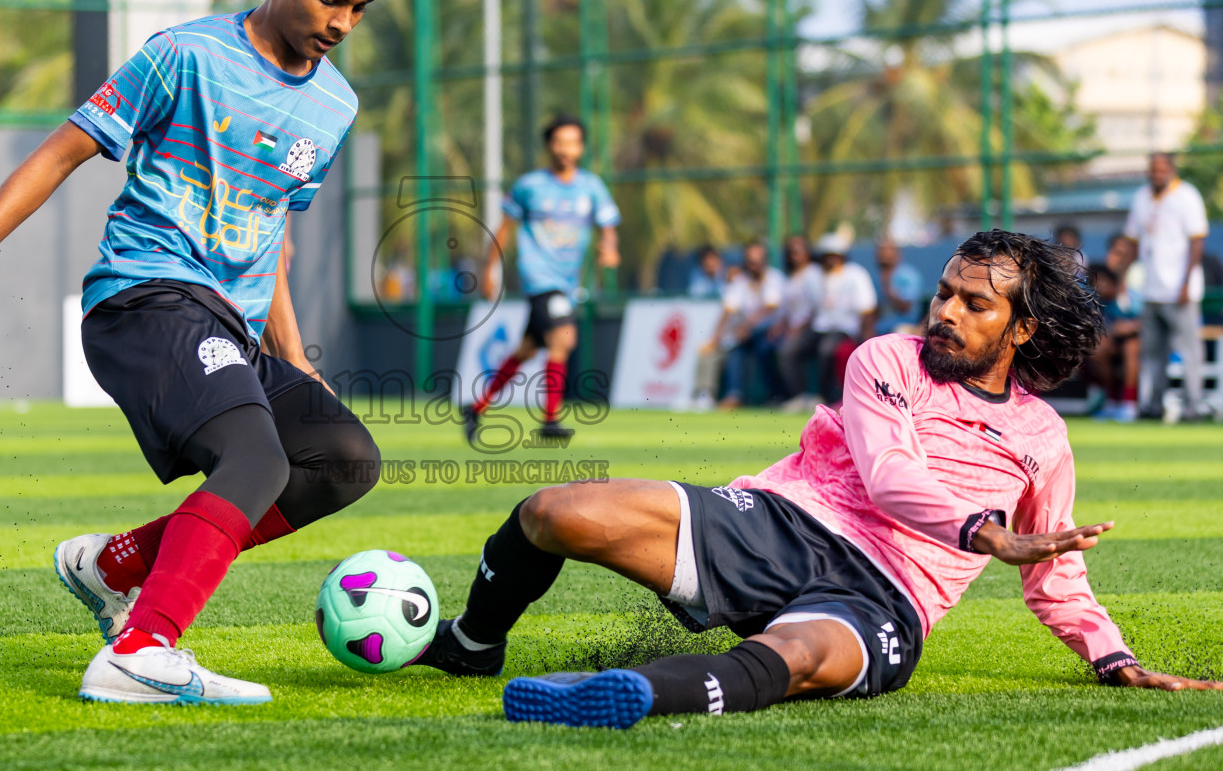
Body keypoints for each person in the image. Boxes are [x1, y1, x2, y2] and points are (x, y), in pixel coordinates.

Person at [411, 231, 1221, 727]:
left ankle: (623, 694)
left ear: (1021, 327)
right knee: (554, 511)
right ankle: (476, 644)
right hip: (781, 522)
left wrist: (1111, 656)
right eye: (943, 292)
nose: (945, 311)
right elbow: (889, 472)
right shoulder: (886, 358)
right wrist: (985, 533)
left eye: (973, 304)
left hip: (888, 596)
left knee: (795, 657)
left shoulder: (1042, 435)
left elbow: (1058, 576)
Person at [0, 0, 393, 705]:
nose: (341, 23)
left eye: (359, 9)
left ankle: (116, 568)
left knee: (343, 460)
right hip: (145, 300)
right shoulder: (185, 56)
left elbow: (270, 230)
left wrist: (296, 358)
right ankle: (143, 648)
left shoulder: (333, 105)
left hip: (228, 326)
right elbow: (59, 155)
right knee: (256, 457)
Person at [464, 115, 621, 442]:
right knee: (564, 339)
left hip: (567, 282)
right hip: (539, 279)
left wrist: (609, 248)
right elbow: (504, 230)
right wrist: (489, 270)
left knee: (525, 349)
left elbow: (607, 226)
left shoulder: (591, 187)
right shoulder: (530, 186)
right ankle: (550, 419)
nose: (566, 149)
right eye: (560, 142)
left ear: (581, 147)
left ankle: (476, 407)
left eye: (573, 142)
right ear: (549, 145)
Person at [1123, 152, 1210, 421]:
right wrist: (1120, 275)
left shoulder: (1187, 196)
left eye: (1161, 170)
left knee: (1188, 351)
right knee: (1151, 354)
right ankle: (1153, 405)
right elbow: (1133, 241)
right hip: (1151, 290)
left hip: (1180, 290)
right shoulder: (1141, 197)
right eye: (1153, 170)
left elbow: (1197, 241)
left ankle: (1192, 407)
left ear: (1171, 170)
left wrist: (1186, 282)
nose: (1156, 175)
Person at [779, 233, 877, 408]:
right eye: (827, 256)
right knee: (788, 349)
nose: (831, 260)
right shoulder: (812, 277)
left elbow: (867, 309)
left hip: (845, 327)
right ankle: (799, 396)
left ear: (842, 256)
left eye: (835, 255)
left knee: (827, 349)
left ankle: (824, 398)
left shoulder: (856, 274)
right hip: (819, 327)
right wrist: (796, 329)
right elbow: (810, 310)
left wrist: (866, 335)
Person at [692, 241, 784, 409]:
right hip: (747, 333)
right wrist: (715, 337)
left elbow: (770, 308)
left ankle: (775, 396)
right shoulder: (741, 281)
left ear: (765, 261)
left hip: (773, 330)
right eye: (750, 261)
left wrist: (747, 326)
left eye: (758, 261)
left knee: (764, 347)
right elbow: (728, 310)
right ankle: (734, 395)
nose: (754, 265)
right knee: (735, 348)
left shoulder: (774, 278)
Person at [765, 235, 822, 402]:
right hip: (792, 328)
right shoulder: (791, 277)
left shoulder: (813, 273)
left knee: (787, 352)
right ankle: (778, 394)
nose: (794, 256)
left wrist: (797, 329)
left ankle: (799, 396)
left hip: (811, 328)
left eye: (798, 251)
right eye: (791, 252)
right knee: (766, 347)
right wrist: (779, 326)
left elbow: (816, 308)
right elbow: (786, 309)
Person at [1085, 262, 1141, 422]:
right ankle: (1112, 400)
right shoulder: (1092, 303)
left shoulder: (1129, 298)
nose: (1100, 286)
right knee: (1097, 348)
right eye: (1095, 283)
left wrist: (1129, 326)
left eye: (1103, 281)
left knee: (1131, 347)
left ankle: (1129, 403)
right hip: (1111, 346)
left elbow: (1147, 321)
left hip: (1138, 346)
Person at [873, 237, 922, 335]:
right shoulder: (876, 278)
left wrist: (887, 288)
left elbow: (906, 306)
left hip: (903, 327)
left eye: (886, 251)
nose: (882, 255)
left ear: (896, 254)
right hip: (879, 328)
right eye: (880, 251)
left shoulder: (908, 275)